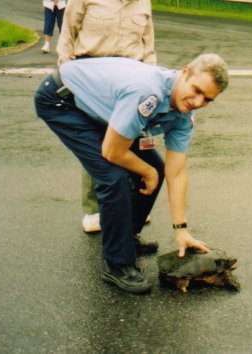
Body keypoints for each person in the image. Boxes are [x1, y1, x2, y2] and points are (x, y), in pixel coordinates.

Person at [34, 54, 229, 293]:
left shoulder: (183, 114)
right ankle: (117, 263)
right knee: (114, 178)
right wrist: (147, 172)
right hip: (63, 100)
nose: (198, 102)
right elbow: (112, 151)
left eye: (207, 99)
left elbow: (176, 172)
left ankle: (126, 239)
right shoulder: (147, 92)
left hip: (104, 110)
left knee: (157, 170)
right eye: (197, 90)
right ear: (185, 72)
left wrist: (181, 230)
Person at [56, 0, 157, 233]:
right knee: (95, 143)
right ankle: (94, 209)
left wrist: (152, 81)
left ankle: (131, 203)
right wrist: (68, 77)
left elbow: (148, 48)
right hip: (92, 76)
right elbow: (67, 36)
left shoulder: (143, 2)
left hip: (131, 78)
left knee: (130, 141)